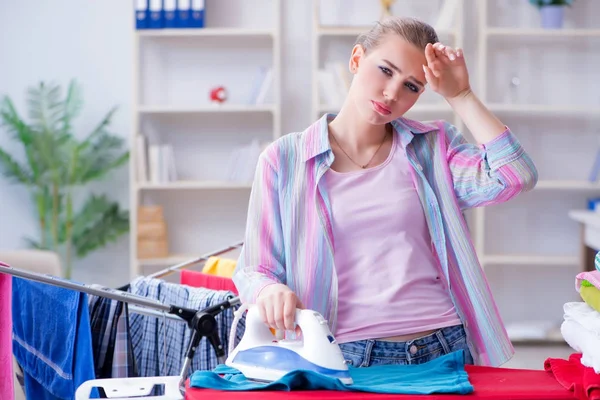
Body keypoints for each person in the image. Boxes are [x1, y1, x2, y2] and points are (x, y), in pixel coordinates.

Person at [232, 16, 538, 368]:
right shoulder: (285, 160)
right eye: (385, 70)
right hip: (342, 353)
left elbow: (516, 175)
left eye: (411, 86)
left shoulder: (433, 148)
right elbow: (255, 268)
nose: (392, 93)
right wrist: (269, 290)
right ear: (357, 59)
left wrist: (461, 95)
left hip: (444, 344)